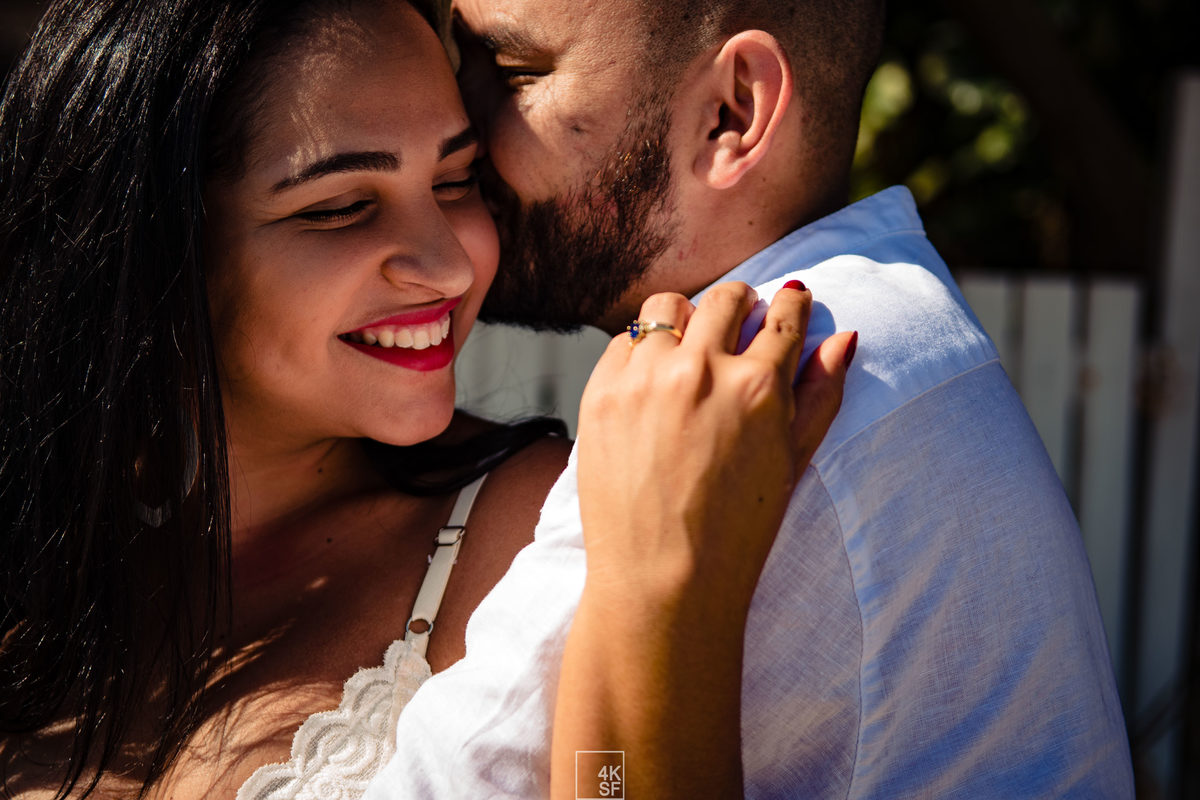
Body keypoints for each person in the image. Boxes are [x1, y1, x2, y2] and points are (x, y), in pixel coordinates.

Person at [0, 0, 854, 798]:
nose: (447, 265)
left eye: (457, 182)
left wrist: (655, 597)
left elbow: (615, 782)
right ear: (147, 252)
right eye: (340, 207)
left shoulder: (555, 525)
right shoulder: (42, 536)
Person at [367, 0, 1137, 797]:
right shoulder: (898, 333)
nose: (461, 115)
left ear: (733, 112)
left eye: (516, 74)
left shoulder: (738, 392)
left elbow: (550, 782)